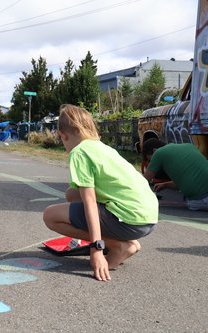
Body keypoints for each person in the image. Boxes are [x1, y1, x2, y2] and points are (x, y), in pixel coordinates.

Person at [42, 104, 158, 281]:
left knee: (50, 215)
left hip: (128, 219)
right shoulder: (102, 148)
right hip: (147, 218)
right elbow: (80, 196)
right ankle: (126, 243)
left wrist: (96, 247)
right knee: (71, 194)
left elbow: (90, 204)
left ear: (62, 135)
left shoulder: (79, 152)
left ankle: (118, 245)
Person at [142, 138, 208, 211]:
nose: (151, 163)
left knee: (189, 202)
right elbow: (190, 180)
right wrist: (166, 185)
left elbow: (142, 181)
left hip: (207, 201)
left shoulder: (158, 153)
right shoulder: (189, 146)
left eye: (150, 160)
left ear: (154, 150)